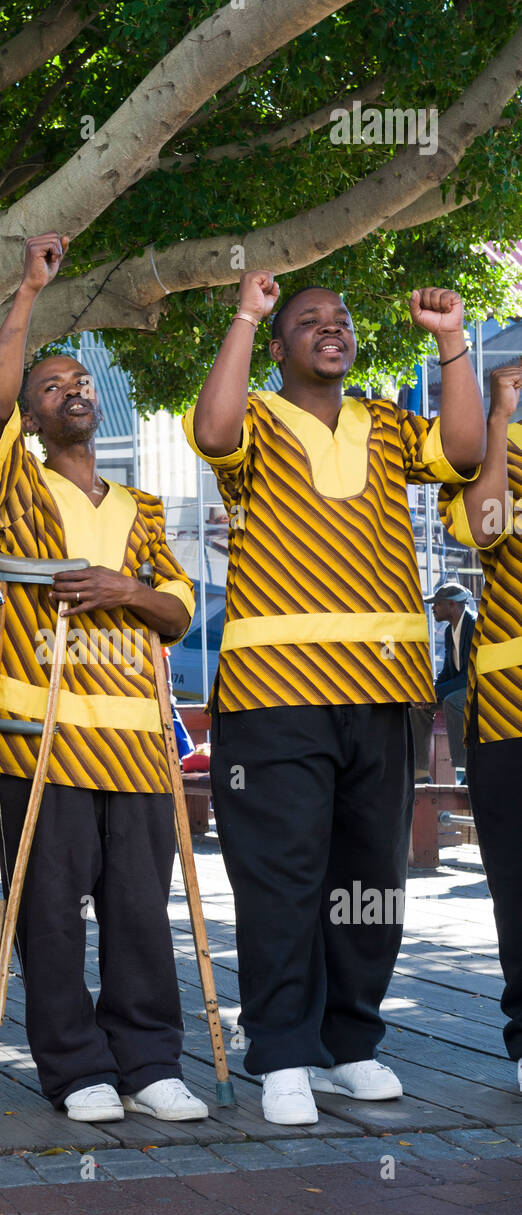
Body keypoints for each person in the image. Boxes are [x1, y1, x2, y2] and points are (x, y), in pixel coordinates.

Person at [184, 271, 486, 1125]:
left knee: (371, 876)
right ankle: (282, 1051)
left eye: (342, 318)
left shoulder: (387, 422)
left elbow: (465, 453)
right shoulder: (253, 419)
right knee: (281, 875)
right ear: (279, 347)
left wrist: (451, 339)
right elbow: (211, 432)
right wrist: (247, 315)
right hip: (273, 693)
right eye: (308, 319)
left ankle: (350, 1042)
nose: (332, 327)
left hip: (384, 690)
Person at [0, 231, 208, 1123]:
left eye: (80, 381)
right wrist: (28, 292)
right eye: (50, 386)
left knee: (141, 912)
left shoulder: (143, 508)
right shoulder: (14, 488)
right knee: (51, 915)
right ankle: (76, 1071)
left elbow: (178, 610)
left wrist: (124, 589)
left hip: (138, 745)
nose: (71, 390)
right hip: (42, 738)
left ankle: (149, 1063)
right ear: (31, 420)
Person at [438, 358, 522, 1091]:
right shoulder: (502, 451)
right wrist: (498, 418)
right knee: (517, 886)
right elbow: (479, 528)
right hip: (509, 717)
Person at [424, 581, 476, 775]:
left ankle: (465, 767)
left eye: (437, 603)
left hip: (477, 689)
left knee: (452, 701)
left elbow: (470, 675)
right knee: (419, 704)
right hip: (460, 687)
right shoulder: (449, 632)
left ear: (453, 604)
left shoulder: (474, 626)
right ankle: (420, 772)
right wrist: (429, 692)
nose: (433, 608)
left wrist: (437, 692)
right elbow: (447, 671)